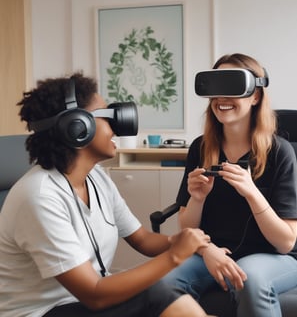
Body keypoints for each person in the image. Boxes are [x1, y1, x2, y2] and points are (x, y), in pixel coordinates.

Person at [0, 73, 214, 317]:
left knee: (162, 295)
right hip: (39, 312)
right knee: (157, 295)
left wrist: (179, 241)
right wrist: (175, 256)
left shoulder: (97, 177)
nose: (116, 127)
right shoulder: (39, 196)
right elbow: (95, 294)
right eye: (106, 116)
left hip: (79, 304)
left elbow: (142, 239)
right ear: (77, 127)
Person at [163, 53, 297, 317]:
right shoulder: (201, 148)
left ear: (255, 96)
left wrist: (252, 193)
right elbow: (188, 227)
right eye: (216, 89)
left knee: (249, 278)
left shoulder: (280, 152)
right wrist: (198, 202)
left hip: (274, 257)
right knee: (163, 283)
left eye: (232, 86)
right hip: (213, 251)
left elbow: (285, 243)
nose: (222, 98)